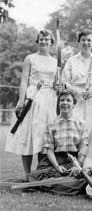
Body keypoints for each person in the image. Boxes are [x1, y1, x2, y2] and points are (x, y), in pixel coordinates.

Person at [5, 29, 58, 178]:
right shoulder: (30, 58)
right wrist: (21, 102)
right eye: (41, 39)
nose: (44, 42)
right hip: (32, 98)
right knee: (27, 135)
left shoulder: (55, 62)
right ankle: (28, 174)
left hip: (49, 100)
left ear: (51, 42)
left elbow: (57, 83)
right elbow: (23, 81)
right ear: (37, 41)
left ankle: (39, 174)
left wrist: (58, 87)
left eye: (47, 40)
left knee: (45, 138)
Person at [23, 90, 88, 195]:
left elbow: (84, 146)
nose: (65, 103)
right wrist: (57, 167)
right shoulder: (52, 124)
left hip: (73, 160)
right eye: (62, 100)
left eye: (68, 100)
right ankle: (58, 185)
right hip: (55, 160)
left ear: (74, 104)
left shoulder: (81, 124)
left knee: (79, 180)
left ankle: (48, 185)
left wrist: (78, 165)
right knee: (35, 175)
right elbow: (49, 150)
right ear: (58, 104)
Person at [62, 29, 92, 131]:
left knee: (88, 131)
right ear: (79, 42)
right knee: (73, 129)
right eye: (83, 40)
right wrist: (75, 91)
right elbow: (64, 82)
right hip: (74, 100)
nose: (86, 43)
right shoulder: (71, 61)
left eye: (89, 40)